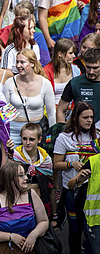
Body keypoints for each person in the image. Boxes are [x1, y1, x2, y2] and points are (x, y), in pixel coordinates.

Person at [54, 101, 99, 253]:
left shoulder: (97, 137)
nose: (89, 121)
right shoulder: (64, 138)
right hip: (72, 191)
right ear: (75, 118)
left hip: (93, 192)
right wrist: (71, 165)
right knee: (75, 229)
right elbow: (56, 164)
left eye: (91, 117)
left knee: (91, 231)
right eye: (85, 117)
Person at [0, 162, 49, 254]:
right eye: (21, 176)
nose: (26, 178)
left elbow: (44, 221)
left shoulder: (31, 195)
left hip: (30, 248)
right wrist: (11, 237)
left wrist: (34, 235)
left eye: (25, 174)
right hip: (4, 250)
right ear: (10, 179)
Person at [2, 49, 55, 147]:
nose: (18, 65)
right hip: (14, 131)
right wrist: (6, 136)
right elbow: (5, 114)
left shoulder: (45, 83)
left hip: (36, 131)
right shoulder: (9, 83)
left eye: (22, 62)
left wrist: (52, 137)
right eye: (17, 62)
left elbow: (51, 113)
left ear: (32, 64)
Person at [12, 123, 56, 222]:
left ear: (39, 139)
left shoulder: (46, 159)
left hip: (41, 202)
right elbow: (8, 181)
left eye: (31, 139)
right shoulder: (15, 156)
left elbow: (51, 186)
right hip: (20, 205)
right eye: (24, 139)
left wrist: (54, 214)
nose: (27, 142)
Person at [56, 48, 100, 125]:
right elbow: (61, 110)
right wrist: (61, 130)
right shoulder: (75, 83)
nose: (91, 71)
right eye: (88, 67)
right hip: (79, 131)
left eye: (95, 68)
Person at [44, 38, 81, 105]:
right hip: (52, 110)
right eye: (70, 53)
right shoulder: (45, 72)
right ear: (60, 54)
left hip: (72, 110)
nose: (74, 56)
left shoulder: (76, 69)